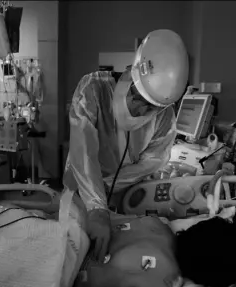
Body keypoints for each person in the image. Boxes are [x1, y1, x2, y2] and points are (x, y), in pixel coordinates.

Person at [63, 30, 189, 262]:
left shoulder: (164, 117)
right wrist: (96, 206)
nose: (141, 112)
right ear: (133, 74)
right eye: (139, 99)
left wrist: (108, 199)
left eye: (151, 107)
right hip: (81, 190)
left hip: (125, 197)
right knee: (74, 253)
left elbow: (152, 162)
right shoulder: (93, 89)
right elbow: (83, 152)